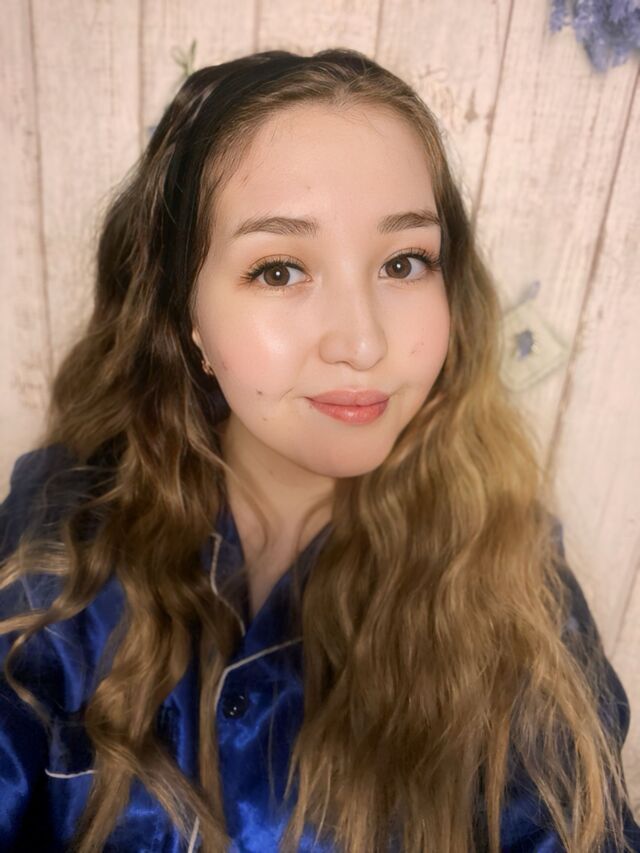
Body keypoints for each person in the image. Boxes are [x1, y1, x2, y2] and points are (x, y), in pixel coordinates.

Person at [0, 47, 638, 853]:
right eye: (279, 270)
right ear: (185, 311)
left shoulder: (512, 582)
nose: (363, 342)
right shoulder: (60, 540)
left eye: (404, 262)